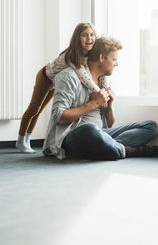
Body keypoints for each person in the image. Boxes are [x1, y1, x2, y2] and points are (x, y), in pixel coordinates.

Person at [42, 35, 158, 160]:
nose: (117, 64)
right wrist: (94, 103)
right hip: (70, 137)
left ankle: (109, 146)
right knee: (90, 130)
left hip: (100, 134)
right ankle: (121, 149)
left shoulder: (103, 82)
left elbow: (109, 124)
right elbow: (58, 117)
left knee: (151, 127)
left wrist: (109, 106)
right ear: (102, 57)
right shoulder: (68, 76)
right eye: (114, 59)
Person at [16, 22, 108, 154]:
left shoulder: (89, 54)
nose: (89, 38)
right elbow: (85, 78)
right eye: (85, 35)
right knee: (35, 108)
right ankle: (21, 140)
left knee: (39, 110)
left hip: (55, 82)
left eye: (92, 35)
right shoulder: (71, 55)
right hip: (45, 78)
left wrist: (104, 87)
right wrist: (100, 93)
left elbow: (99, 72)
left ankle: (27, 139)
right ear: (77, 38)